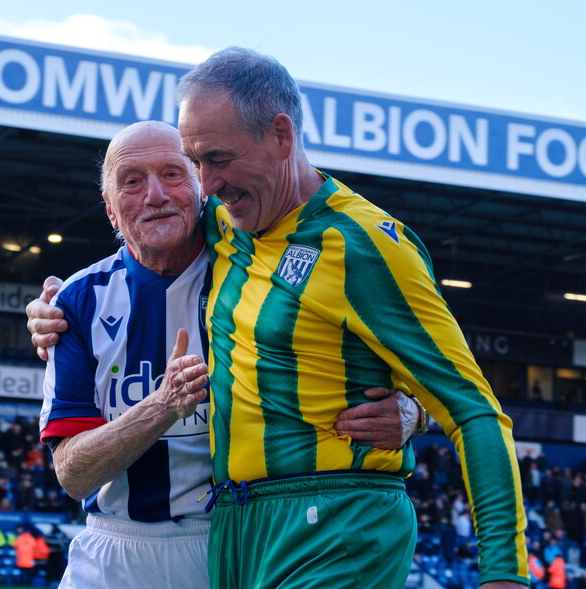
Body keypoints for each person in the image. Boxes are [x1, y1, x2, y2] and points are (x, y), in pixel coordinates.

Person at [175, 47, 527, 588]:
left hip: (335, 518)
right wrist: (61, 301)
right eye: (194, 162)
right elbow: (141, 237)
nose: (206, 184)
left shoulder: (365, 246)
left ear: (282, 136)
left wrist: (505, 575)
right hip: (236, 523)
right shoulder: (223, 221)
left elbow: (475, 411)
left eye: (219, 159)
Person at [30, 121, 419, 588]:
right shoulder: (76, 301)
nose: (155, 194)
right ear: (111, 210)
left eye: (173, 174)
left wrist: (416, 410)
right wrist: (163, 406)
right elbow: (72, 474)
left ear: (203, 189)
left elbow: (382, 351)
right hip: (111, 549)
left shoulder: (259, 275)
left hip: (229, 540)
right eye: (132, 181)